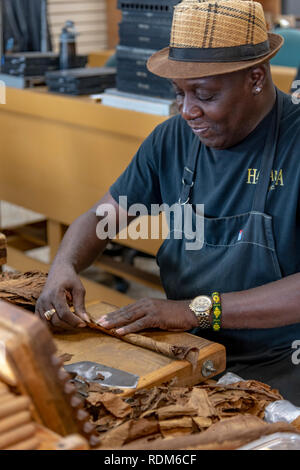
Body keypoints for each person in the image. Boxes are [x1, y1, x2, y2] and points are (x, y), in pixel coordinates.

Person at [36, 0, 300, 404]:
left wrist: (194, 309)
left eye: (205, 95)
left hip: (282, 356)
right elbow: (100, 217)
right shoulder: (171, 139)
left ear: (256, 78)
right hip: (186, 344)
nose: (188, 111)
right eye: (179, 94)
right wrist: (63, 265)